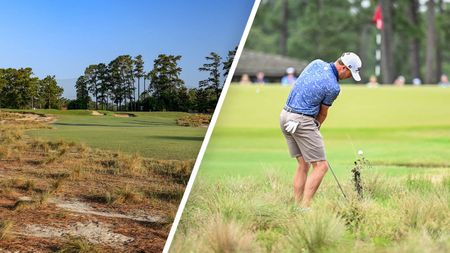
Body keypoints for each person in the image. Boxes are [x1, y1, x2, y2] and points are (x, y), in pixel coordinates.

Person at [279, 52, 362, 209]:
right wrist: (315, 128)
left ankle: (296, 207)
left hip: (284, 116)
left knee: (303, 164)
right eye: (350, 73)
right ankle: (305, 207)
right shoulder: (334, 87)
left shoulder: (316, 63)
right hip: (301, 120)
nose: (349, 77)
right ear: (344, 68)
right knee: (321, 166)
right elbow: (322, 113)